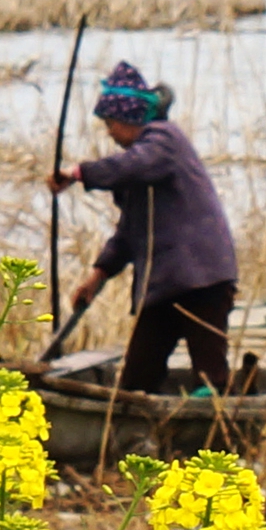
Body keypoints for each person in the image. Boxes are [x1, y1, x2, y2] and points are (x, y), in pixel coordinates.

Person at [51, 61, 240, 394]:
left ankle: (220, 437)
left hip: (202, 281)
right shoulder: (138, 166)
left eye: (110, 123)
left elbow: (131, 166)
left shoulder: (163, 141)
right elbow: (128, 233)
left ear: (130, 118)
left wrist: (78, 173)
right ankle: (130, 433)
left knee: (211, 377)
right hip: (165, 286)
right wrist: (97, 276)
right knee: (137, 378)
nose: (108, 131)